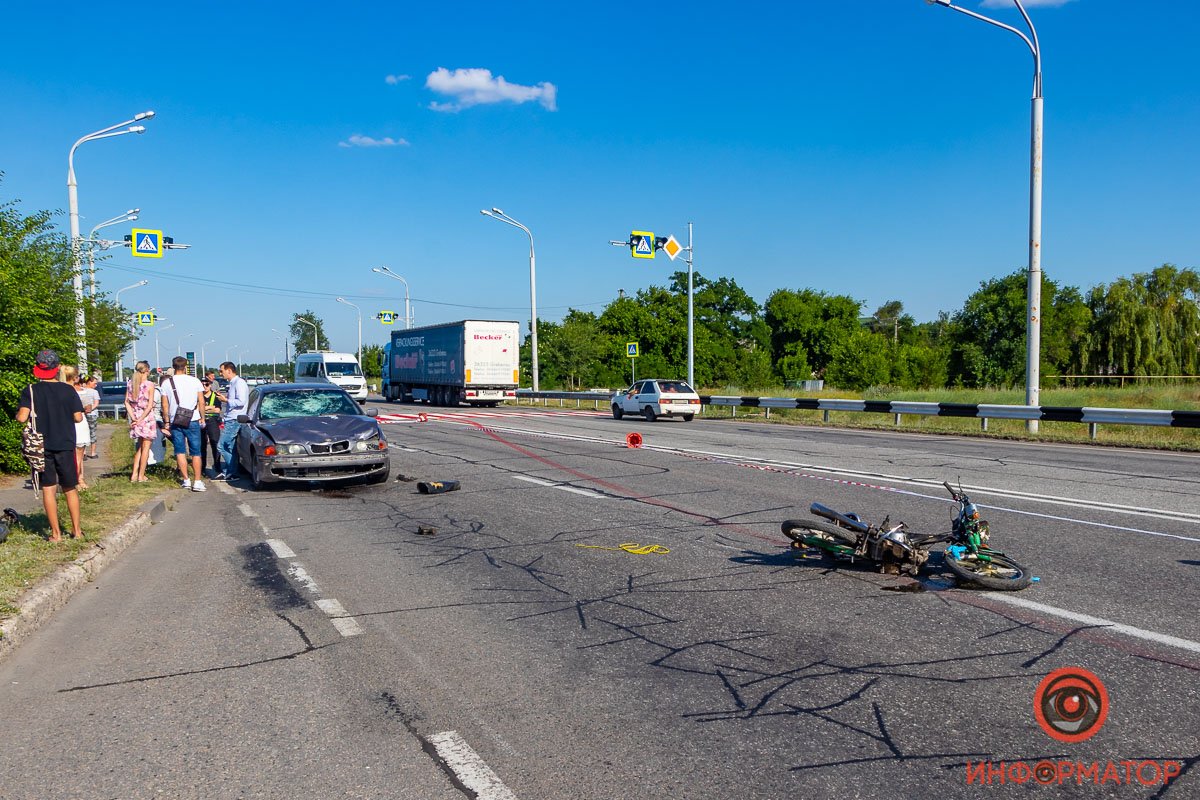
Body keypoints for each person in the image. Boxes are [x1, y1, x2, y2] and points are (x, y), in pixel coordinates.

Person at [15, 350, 84, 541]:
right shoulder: (68, 390)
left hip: (41, 446)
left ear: (38, 368)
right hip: (65, 443)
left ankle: (55, 534)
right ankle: (77, 531)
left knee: (48, 488)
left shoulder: (30, 390)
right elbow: (78, 417)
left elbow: (22, 418)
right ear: (57, 368)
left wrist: (20, 413)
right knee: (70, 487)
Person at [160, 356, 207, 492]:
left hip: (175, 420)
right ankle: (197, 481)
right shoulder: (195, 381)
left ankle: (186, 480)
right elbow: (201, 401)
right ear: (186, 367)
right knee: (196, 452)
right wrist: (202, 418)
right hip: (192, 419)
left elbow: (165, 405)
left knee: (180, 451)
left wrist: (167, 421)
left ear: (173, 367)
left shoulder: (166, 383)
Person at [213, 361, 248, 480]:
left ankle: (233, 471)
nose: (220, 373)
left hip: (234, 419)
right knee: (229, 447)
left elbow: (241, 401)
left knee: (221, 446)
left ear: (229, 370)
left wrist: (226, 400)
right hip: (230, 418)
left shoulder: (239, 383)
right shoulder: (232, 383)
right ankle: (229, 471)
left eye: (221, 371)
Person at [125, 362, 157, 482]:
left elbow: (126, 402)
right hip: (146, 418)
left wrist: (133, 417)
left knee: (140, 447)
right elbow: (149, 405)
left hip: (136, 415)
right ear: (147, 370)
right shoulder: (149, 385)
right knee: (146, 447)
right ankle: (141, 475)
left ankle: (134, 474)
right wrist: (141, 418)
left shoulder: (131, 384)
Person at [64, 365, 92, 490]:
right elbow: (87, 409)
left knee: (70, 455)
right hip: (78, 423)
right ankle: (77, 480)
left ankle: (78, 479)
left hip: (64, 424)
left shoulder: (58, 391)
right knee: (78, 454)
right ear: (75, 377)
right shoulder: (79, 392)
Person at [200, 374, 223, 477]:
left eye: (207, 384)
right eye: (203, 385)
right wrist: (210, 407)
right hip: (201, 421)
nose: (205, 386)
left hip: (213, 421)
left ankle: (217, 466)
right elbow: (197, 408)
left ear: (210, 385)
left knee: (215, 443)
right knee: (202, 445)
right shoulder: (198, 395)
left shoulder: (215, 395)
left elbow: (217, 410)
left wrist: (204, 408)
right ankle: (202, 468)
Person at [80, 375, 101, 459]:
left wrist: (84, 410)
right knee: (92, 432)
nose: (96, 385)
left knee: (83, 432)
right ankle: (93, 452)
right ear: (89, 382)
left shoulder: (82, 390)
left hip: (82, 414)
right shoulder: (94, 392)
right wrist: (90, 409)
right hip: (92, 414)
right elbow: (96, 403)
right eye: (94, 383)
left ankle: (83, 453)